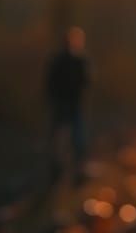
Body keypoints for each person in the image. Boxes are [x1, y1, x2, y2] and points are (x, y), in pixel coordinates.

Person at [44, 26, 90, 182]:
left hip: (72, 103)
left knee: (75, 138)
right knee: (62, 137)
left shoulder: (79, 60)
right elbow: (51, 82)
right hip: (63, 103)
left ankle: (74, 169)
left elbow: (85, 82)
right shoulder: (63, 60)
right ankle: (58, 167)